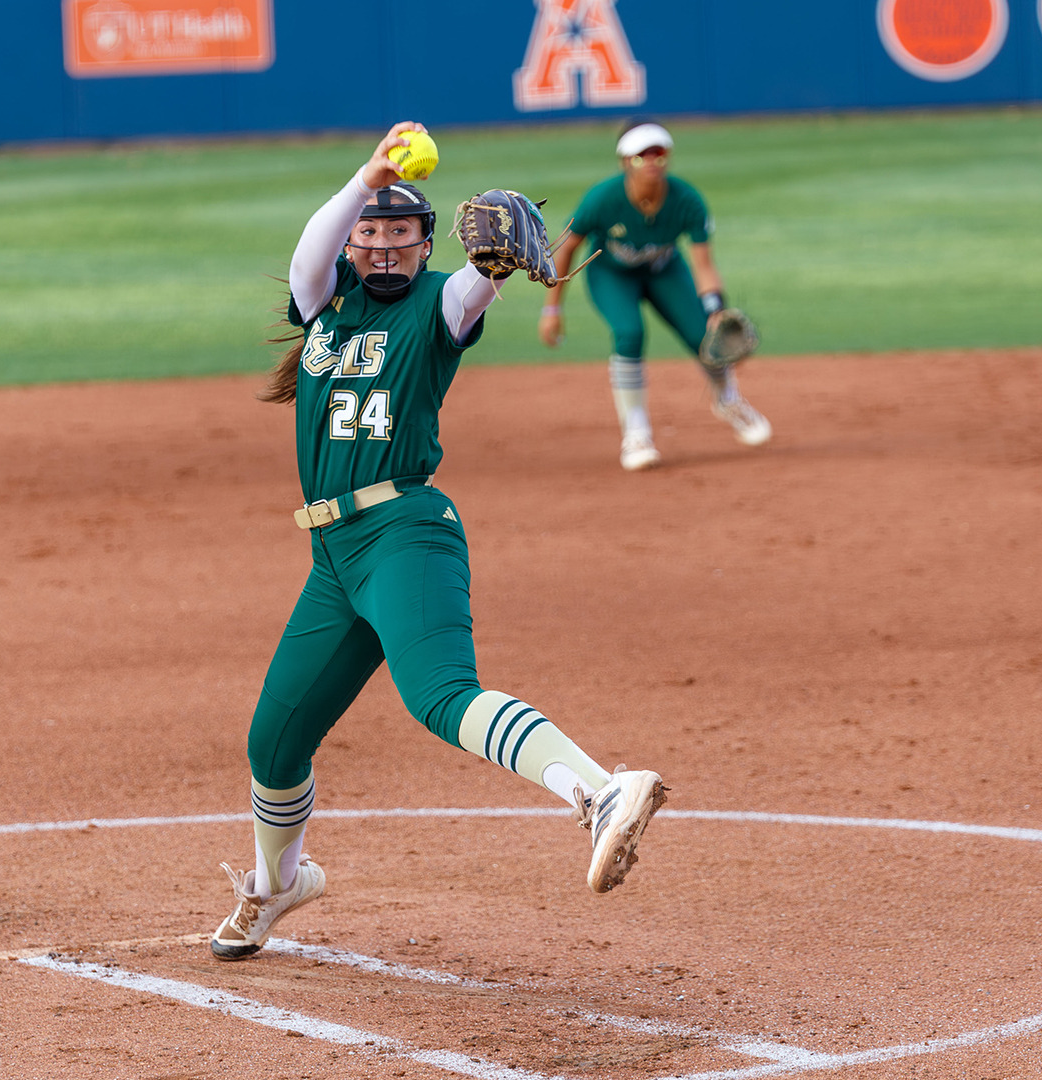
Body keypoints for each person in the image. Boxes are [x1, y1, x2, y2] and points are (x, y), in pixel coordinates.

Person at [210, 122, 668, 962]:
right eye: (370, 235)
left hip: (405, 532)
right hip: (332, 560)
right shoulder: (325, 302)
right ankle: (278, 885)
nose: (383, 249)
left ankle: (601, 791)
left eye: (401, 236)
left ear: (428, 247)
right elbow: (310, 251)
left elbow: (476, 287)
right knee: (273, 741)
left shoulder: (441, 306)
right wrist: (367, 176)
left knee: (439, 695)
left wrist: (493, 267)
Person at [539, 118, 771, 472]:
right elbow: (568, 248)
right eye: (640, 156)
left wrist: (715, 307)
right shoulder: (603, 198)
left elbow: (704, 264)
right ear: (623, 162)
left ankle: (728, 400)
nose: (650, 163)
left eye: (658, 155)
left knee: (705, 337)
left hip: (665, 271)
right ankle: (636, 433)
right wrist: (551, 309)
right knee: (629, 332)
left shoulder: (686, 200)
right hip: (611, 273)